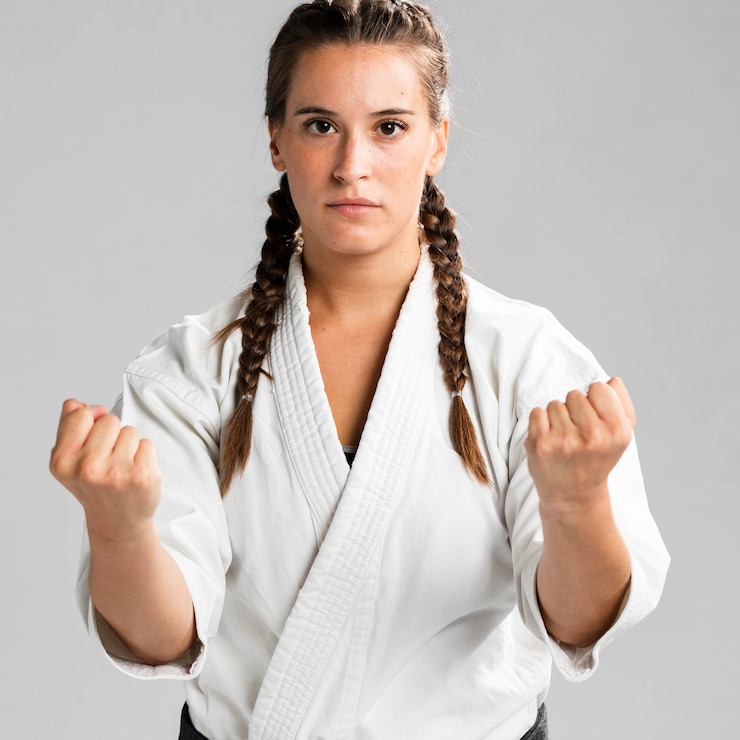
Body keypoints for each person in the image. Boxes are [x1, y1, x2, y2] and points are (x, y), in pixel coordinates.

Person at [49, 1, 669, 738]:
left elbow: (578, 623)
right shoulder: (189, 372)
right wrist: (119, 528)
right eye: (320, 126)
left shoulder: (527, 361)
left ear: (437, 140)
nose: (352, 166)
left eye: (389, 127)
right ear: (276, 140)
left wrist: (576, 504)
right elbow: (161, 641)